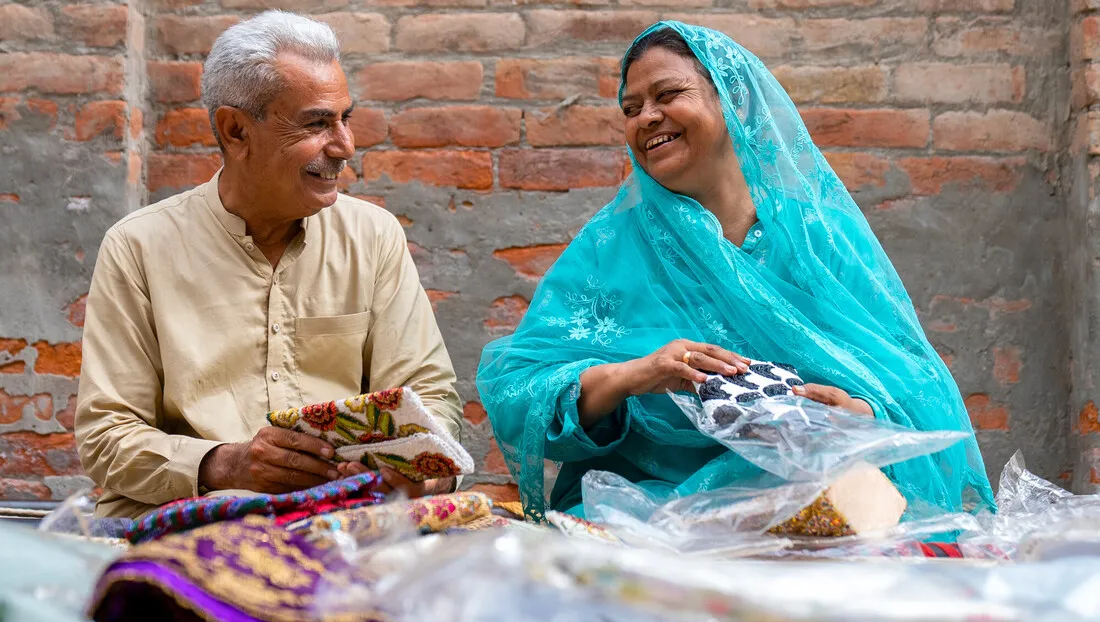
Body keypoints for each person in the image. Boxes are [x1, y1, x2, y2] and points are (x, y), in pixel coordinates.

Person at [476, 21, 995, 521]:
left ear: (733, 99)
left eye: (668, 94)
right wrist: (635, 375)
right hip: (647, 512)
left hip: (815, 510)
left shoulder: (818, 238)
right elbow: (516, 393)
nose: (646, 118)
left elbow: (914, 383)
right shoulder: (608, 248)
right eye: (630, 108)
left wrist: (857, 413)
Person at [76, 11, 462, 519]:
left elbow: (428, 395)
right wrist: (227, 465)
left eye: (346, 118)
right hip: (191, 527)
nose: (345, 146)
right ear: (236, 131)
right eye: (317, 123)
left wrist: (418, 467)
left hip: (341, 521)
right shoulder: (139, 247)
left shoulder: (373, 236)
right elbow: (106, 439)